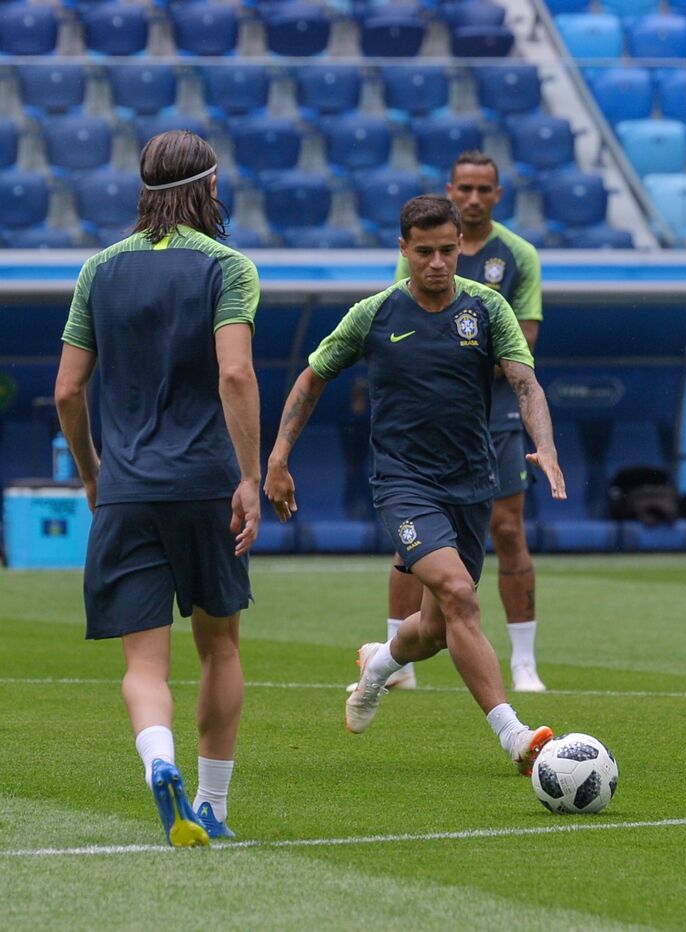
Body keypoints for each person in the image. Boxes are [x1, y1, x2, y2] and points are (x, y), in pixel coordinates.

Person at [264, 196, 566, 776]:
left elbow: (525, 384)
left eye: (447, 251)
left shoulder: (488, 308)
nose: (436, 262)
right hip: (403, 485)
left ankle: (378, 665)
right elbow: (311, 379)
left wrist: (545, 446)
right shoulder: (374, 315)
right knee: (459, 593)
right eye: (423, 252)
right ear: (402, 250)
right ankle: (516, 736)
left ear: (459, 248)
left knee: (432, 629)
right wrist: (277, 457)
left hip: (471, 484)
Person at [53, 130, 260, 846]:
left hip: (129, 489)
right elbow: (235, 374)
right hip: (206, 484)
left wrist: (91, 473)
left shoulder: (99, 270)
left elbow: (67, 392)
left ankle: (158, 761)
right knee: (220, 647)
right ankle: (213, 805)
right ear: (209, 188)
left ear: (144, 190)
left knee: (144, 663)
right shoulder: (227, 267)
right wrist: (252, 477)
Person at [380, 151, 546, 693]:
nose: (474, 198)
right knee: (416, 544)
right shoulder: (423, 247)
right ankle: (395, 659)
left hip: (493, 413)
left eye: (485, 189)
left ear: (498, 195)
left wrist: (457, 353)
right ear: (451, 191)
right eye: (466, 189)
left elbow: (521, 349)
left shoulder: (517, 257)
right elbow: (399, 320)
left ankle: (524, 660)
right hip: (426, 420)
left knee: (508, 527)